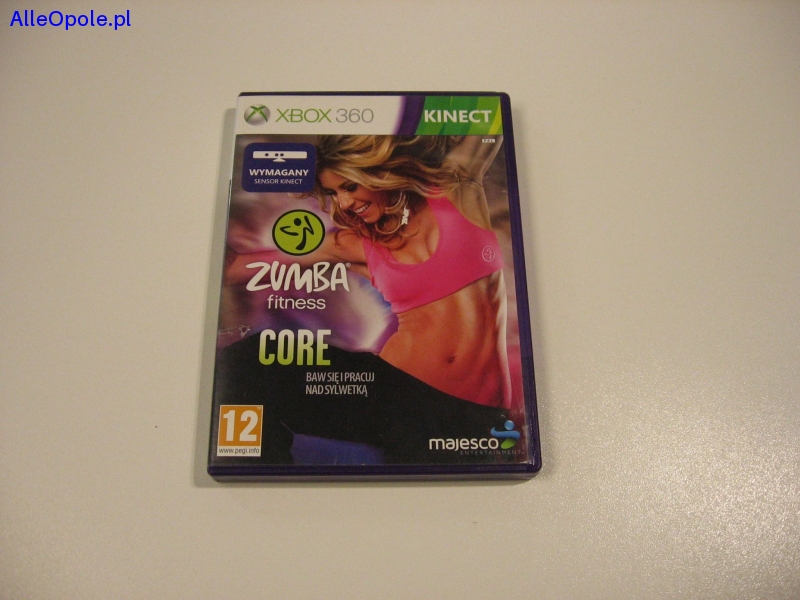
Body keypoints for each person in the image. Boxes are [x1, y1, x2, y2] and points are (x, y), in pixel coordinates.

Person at [219, 135, 517, 463]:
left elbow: (485, 123)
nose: (344, 203)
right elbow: (236, 268)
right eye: (333, 193)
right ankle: (257, 471)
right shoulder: (354, 244)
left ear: (377, 174)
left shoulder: (455, 193)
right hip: (399, 397)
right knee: (247, 362)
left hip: (477, 416)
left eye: (349, 186)